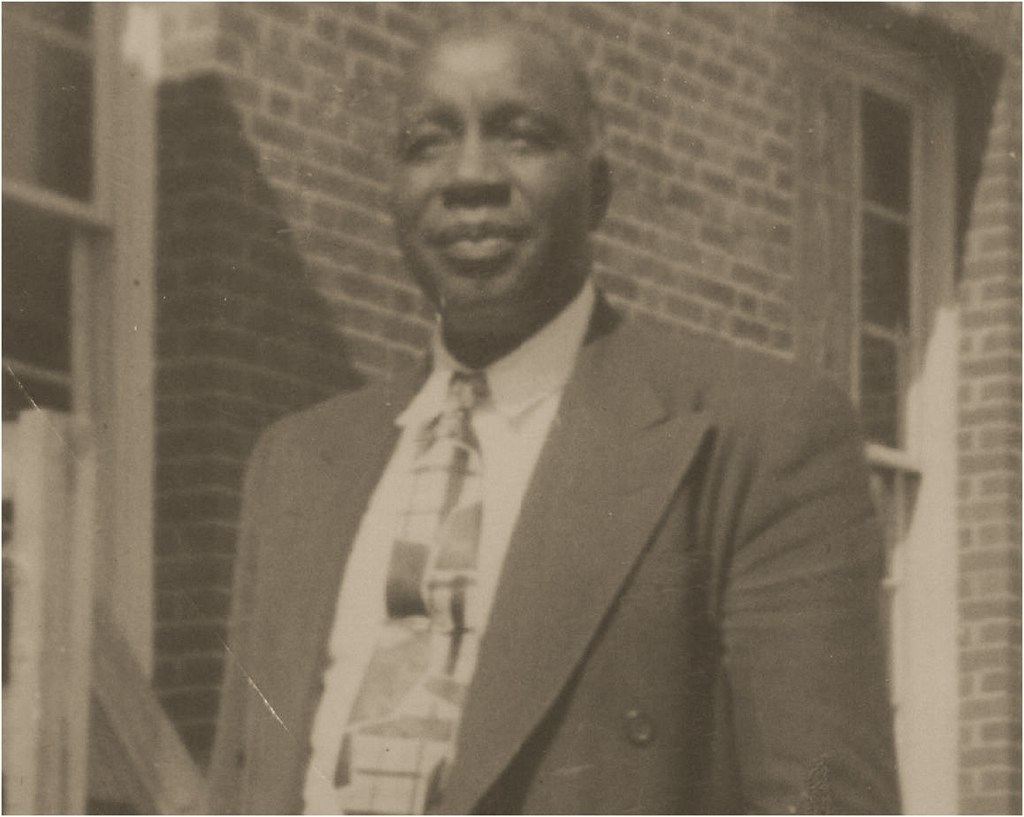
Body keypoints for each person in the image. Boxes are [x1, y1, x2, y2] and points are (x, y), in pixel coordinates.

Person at [208, 19, 901, 815]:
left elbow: (824, 798)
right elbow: (240, 781)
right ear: (391, 194)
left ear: (596, 186)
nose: (470, 175)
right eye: (427, 143)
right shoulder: (298, 462)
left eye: (521, 135)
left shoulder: (754, 432)